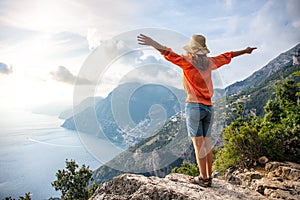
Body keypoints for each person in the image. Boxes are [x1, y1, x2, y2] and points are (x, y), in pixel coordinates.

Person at [137, 33, 257, 187]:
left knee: (198, 145)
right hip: (209, 108)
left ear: (191, 50)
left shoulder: (187, 62)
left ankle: (202, 178)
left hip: (194, 106)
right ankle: (209, 177)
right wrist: (245, 51)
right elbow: (228, 55)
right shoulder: (210, 63)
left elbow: (167, 52)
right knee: (207, 145)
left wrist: (152, 42)